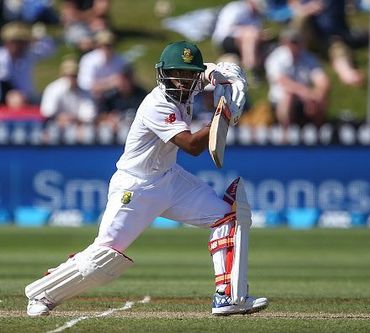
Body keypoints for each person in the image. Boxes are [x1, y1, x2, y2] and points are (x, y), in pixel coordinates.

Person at [24, 40, 269, 317]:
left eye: (190, 74)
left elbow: (220, 71)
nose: (184, 80)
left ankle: (229, 298)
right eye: (178, 74)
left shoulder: (188, 85)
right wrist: (222, 115)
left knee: (229, 217)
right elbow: (191, 146)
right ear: (164, 74)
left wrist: (220, 76)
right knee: (103, 257)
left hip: (170, 180)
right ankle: (43, 293)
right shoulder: (158, 103)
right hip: (135, 187)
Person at [291, 0, 369, 87]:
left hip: (330, 38)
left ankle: (348, 74)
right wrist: (308, 9)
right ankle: (292, 55)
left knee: (338, 49)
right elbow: (295, 8)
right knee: (300, 18)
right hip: (308, 37)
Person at [265, 28, 330, 127]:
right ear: (285, 42)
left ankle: (319, 130)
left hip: (304, 100)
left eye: (297, 41)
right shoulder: (276, 58)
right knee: (288, 96)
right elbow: (283, 82)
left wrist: (318, 93)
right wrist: (307, 93)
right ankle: (285, 133)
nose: (295, 45)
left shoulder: (309, 57)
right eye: (292, 42)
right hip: (280, 100)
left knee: (321, 96)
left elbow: (322, 80)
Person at [40, 58, 97, 139]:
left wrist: (72, 120)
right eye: (67, 75)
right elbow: (47, 113)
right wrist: (61, 119)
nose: (71, 79)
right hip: (55, 127)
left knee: (87, 133)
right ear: (62, 75)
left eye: (73, 76)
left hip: (78, 127)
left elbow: (89, 116)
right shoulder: (52, 89)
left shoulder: (85, 92)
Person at [211, 0, 269, 79]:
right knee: (250, 34)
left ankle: (257, 67)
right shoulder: (236, 8)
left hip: (245, 40)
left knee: (256, 35)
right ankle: (251, 67)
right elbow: (227, 29)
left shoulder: (256, 15)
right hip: (225, 39)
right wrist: (247, 31)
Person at [0, 21, 56, 103]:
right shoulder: (2, 57)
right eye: (14, 42)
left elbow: (50, 50)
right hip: (5, 99)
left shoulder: (29, 54)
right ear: (7, 42)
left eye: (21, 42)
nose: (17, 46)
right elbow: (4, 81)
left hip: (28, 99)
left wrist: (37, 37)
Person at [77, 29, 127, 98]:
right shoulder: (88, 60)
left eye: (109, 45)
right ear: (97, 46)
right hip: (91, 97)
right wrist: (110, 83)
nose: (106, 49)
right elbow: (85, 86)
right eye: (103, 45)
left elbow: (125, 82)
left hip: (115, 96)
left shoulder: (121, 60)